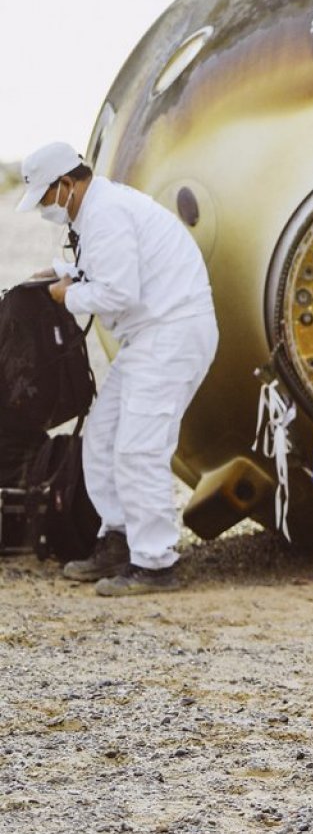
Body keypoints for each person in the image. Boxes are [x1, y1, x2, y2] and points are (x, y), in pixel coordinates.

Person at [14, 142, 218, 596]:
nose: (47, 208)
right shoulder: (100, 209)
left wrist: (66, 296)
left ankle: (155, 562)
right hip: (152, 334)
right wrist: (60, 269)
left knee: (139, 447)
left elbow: (118, 293)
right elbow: (106, 268)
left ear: (66, 185)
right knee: (105, 434)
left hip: (171, 332)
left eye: (47, 198)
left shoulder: (105, 214)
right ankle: (119, 538)